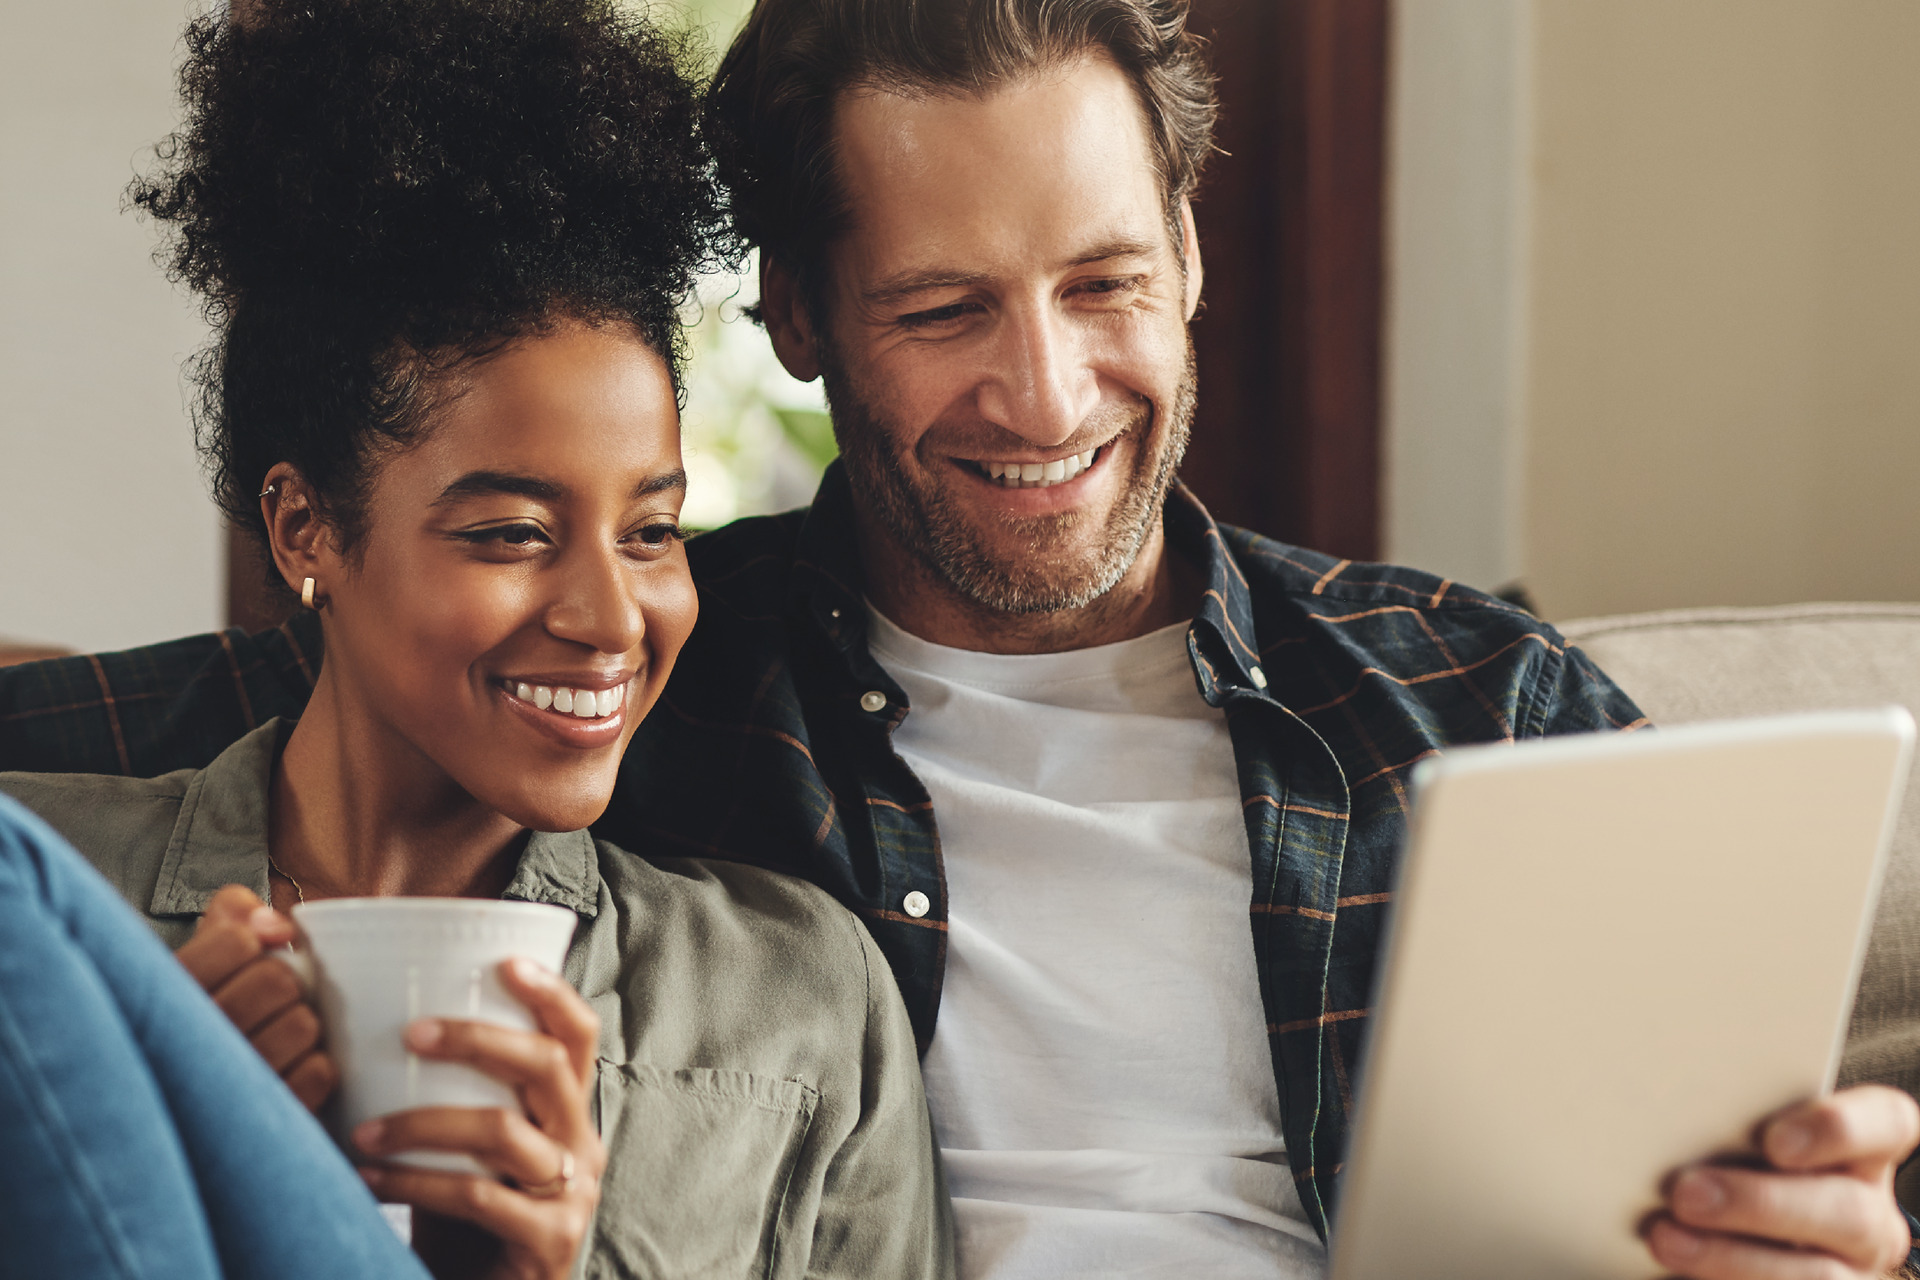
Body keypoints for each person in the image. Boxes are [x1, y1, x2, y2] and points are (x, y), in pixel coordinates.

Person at [2, 0, 1915, 1277]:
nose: (1045, 393)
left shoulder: (1483, 707)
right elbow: (274, 729)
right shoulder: (657, 667)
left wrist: (1823, 1231)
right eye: (940, 309)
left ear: (1190, 251)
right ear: (803, 321)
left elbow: (1776, 1166)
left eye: (1104, 285)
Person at [0, 2, 950, 1278]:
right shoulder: (49, 909)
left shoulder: (791, 1005)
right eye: (510, 533)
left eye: (653, 530)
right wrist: (177, 1134)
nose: (611, 618)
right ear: (306, 532)